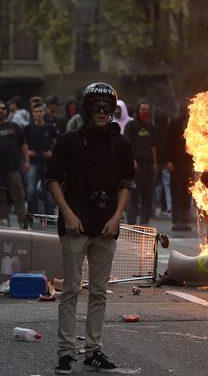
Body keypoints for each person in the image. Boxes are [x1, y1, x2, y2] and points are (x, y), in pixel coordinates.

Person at [46, 82, 134, 374]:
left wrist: (116, 217)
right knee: (71, 289)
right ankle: (65, 352)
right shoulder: (69, 141)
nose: (101, 111)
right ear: (86, 109)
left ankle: (94, 351)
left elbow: (126, 184)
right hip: (75, 226)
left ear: (112, 110)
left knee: (99, 292)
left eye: (106, 107)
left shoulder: (121, 144)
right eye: (95, 106)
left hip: (106, 226)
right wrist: (68, 214)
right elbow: (52, 180)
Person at [124, 100, 157, 225]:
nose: (145, 112)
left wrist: (154, 163)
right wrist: (131, 160)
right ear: (138, 111)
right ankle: (131, 221)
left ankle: (144, 221)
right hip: (136, 165)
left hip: (148, 165)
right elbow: (127, 145)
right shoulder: (131, 125)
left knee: (147, 194)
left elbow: (153, 147)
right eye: (143, 109)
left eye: (147, 109)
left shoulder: (150, 126)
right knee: (133, 194)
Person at [24, 103, 59, 215]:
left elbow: (60, 141)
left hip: (47, 163)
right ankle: (31, 214)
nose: (38, 113)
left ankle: (49, 215)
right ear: (32, 114)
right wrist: (27, 152)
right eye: (36, 111)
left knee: (48, 191)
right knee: (31, 191)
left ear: (44, 113)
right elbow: (21, 144)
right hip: (33, 163)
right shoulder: (28, 128)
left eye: (40, 111)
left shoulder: (50, 127)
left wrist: (52, 152)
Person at [166, 111, 195, 231]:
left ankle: (185, 221)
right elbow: (167, 143)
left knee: (187, 192)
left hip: (187, 163)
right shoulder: (174, 124)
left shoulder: (194, 123)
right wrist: (168, 161)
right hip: (175, 163)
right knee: (176, 191)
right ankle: (176, 220)